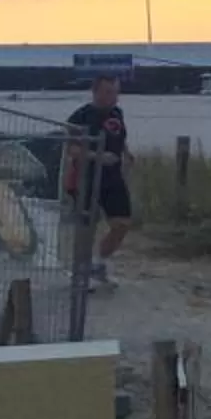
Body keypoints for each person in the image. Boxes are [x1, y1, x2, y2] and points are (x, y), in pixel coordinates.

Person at [63, 74, 136, 287]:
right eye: (108, 92)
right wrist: (97, 156)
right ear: (95, 91)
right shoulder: (81, 116)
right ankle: (80, 272)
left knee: (122, 223)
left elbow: (118, 137)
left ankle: (100, 264)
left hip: (113, 177)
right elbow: (72, 149)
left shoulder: (117, 113)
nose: (113, 97)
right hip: (86, 177)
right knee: (87, 226)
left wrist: (126, 153)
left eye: (116, 92)